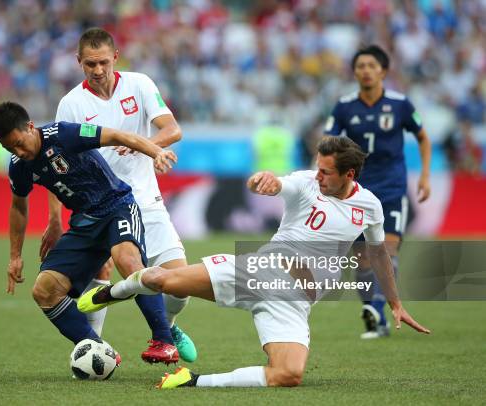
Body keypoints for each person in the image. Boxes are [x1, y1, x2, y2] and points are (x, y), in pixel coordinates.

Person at [78, 136, 430, 388]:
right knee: (162, 281)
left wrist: (395, 302)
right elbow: (280, 184)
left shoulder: (369, 206)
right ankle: (115, 291)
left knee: (288, 375)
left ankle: (191, 381)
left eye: (326, 172)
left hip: (293, 303)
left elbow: (379, 252)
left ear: (349, 175)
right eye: (317, 168)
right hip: (260, 272)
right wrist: (266, 181)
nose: (318, 176)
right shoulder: (306, 184)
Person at [40, 27, 197, 362]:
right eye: (90, 64)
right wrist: (55, 219)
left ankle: (167, 327)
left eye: (103, 63)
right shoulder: (71, 104)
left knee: (179, 285)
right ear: (78, 62)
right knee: (107, 270)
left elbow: (173, 129)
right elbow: (56, 164)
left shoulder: (139, 84)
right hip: (103, 205)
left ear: (115, 57)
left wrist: (144, 146)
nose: (98, 71)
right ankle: (96, 351)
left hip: (146, 201)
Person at [0, 101, 180, 364]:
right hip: (84, 223)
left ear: (31, 127)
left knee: (128, 262)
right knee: (44, 291)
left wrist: (155, 151)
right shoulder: (19, 166)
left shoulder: (63, 134)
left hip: (117, 207)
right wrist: (15, 256)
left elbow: (117, 135)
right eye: (9, 148)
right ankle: (96, 348)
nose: (18, 152)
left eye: (19, 143)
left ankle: (165, 341)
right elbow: (18, 207)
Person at [324, 45, 432, 339]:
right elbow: (327, 143)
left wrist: (424, 176)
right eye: (360, 66)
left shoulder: (400, 104)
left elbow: (423, 138)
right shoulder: (345, 106)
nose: (366, 70)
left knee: (387, 249)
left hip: (392, 188)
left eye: (372, 65)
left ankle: (378, 306)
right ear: (354, 71)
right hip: (356, 191)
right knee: (362, 259)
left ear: (383, 71)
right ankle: (376, 317)